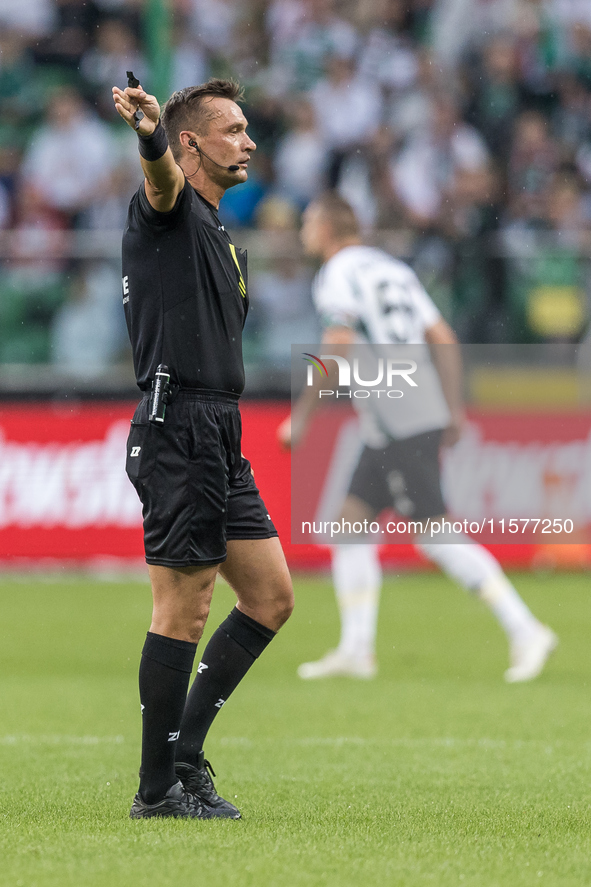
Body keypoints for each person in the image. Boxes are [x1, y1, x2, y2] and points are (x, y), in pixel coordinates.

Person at [278, 192, 556, 683]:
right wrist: (452, 407)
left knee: (436, 536)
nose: (303, 231)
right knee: (349, 525)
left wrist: (302, 417)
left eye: (307, 222)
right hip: (401, 411)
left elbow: (338, 342)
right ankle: (357, 650)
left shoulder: (337, 273)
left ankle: (526, 629)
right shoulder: (394, 270)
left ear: (327, 229)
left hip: (397, 414)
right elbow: (443, 337)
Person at [112, 77, 293, 820]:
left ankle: (185, 756)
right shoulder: (168, 209)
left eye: (248, 128)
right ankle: (157, 789)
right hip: (177, 425)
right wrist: (151, 133)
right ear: (192, 143)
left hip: (220, 430)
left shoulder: (220, 235)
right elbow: (159, 180)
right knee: (182, 609)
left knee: (271, 596)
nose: (248, 140)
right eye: (233, 129)